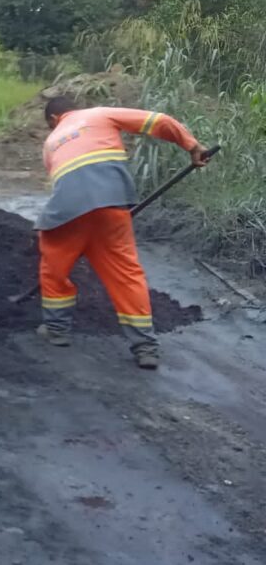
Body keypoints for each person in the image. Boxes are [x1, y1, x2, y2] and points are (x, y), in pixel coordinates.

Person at [35, 95, 208, 369]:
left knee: (54, 269)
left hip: (68, 212)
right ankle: (145, 347)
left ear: (54, 120)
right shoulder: (100, 114)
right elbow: (159, 121)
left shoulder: (49, 143)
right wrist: (193, 146)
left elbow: (64, 185)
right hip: (112, 206)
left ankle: (56, 330)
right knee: (126, 275)